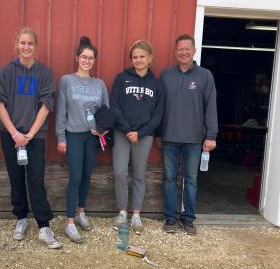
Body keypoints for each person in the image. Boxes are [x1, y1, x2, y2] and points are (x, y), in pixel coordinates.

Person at [0, 27, 61, 249]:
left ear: (36, 46)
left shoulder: (44, 73)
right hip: (10, 134)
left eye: (30, 43)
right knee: (16, 177)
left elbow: (46, 106)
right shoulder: (7, 72)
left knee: (36, 179)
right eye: (22, 43)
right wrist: (14, 133)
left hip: (35, 136)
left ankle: (44, 225)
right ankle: (21, 218)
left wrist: (29, 134)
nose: (26, 47)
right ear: (17, 45)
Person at [159, 34, 218, 235]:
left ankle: (189, 218)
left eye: (187, 49)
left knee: (191, 180)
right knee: (169, 178)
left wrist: (211, 135)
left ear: (194, 51)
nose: (183, 52)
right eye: (180, 49)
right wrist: (158, 133)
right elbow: (159, 107)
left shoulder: (205, 76)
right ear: (175, 52)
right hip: (169, 137)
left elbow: (211, 107)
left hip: (194, 139)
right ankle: (170, 218)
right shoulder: (166, 75)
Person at [56, 36, 109, 243]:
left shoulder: (99, 84)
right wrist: (61, 136)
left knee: (87, 176)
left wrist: (102, 130)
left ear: (94, 61)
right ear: (77, 58)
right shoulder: (67, 81)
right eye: (84, 57)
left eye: (91, 58)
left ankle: (80, 212)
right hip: (74, 135)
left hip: (91, 137)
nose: (87, 61)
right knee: (75, 177)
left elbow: (107, 110)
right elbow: (61, 111)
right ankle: (69, 222)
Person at [110, 39, 165, 234]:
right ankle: (123, 212)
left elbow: (158, 114)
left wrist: (140, 133)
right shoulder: (121, 79)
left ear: (150, 58)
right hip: (122, 132)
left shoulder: (157, 84)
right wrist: (127, 130)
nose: (139, 60)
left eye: (142, 56)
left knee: (139, 174)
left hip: (145, 135)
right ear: (131, 60)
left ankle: (136, 215)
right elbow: (114, 107)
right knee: (120, 172)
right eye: (135, 57)